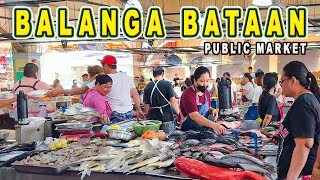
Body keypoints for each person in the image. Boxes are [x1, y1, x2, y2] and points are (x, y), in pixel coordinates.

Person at [46, 55, 145, 121]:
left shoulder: (102, 80)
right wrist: (138, 109)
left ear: (106, 66)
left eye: (103, 66)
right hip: (128, 113)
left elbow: (81, 90)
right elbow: (135, 94)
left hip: (113, 114)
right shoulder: (127, 78)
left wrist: (59, 91)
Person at [276, 61, 320, 180]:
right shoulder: (305, 100)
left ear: (293, 80)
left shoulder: (304, 103)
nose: (281, 85)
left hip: (300, 173)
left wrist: (291, 178)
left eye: (282, 81)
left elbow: (305, 144)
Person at [179, 66, 226, 134]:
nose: (205, 84)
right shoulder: (188, 94)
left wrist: (212, 110)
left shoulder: (206, 92)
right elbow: (194, 116)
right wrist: (214, 125)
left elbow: (207, 108)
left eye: (207, 81)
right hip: (187, 131)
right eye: (202, 81)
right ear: (195, 81)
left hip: (202, 129)